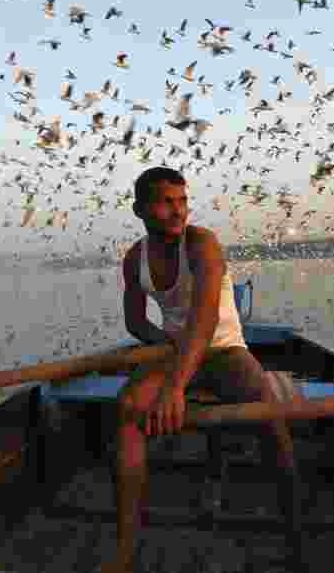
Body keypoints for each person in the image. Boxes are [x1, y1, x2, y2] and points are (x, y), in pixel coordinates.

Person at [99, 166, 304, 573]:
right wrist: (165, 346)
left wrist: (174, 387)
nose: (179, 211)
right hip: (175, 352)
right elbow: (135, 322)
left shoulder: (201, 243)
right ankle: (123, 552)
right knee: (128, 409)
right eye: (165, 202)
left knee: (269, 415)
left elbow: (205, 320)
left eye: (183, 201)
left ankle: (295, 536)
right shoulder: (135, 258)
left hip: (225, 350)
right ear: (140, 210)